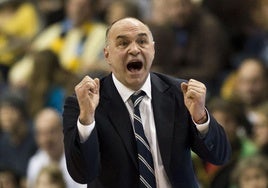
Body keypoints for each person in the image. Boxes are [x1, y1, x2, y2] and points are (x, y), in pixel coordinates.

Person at [62, 17, 231, 187]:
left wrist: (201, 118)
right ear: (107, 54)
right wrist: (87, 119)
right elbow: (82, 174)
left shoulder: (180, 93)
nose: (134, 49)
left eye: (142, 41)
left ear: (153, 49)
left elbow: (220, 156)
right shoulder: (83, 103)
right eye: (123, 43)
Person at [27, 108, 86, 188]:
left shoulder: (79, 161)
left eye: (51, 132)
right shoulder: (35, 163)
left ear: (63, 131)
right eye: (41, 133)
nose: (46, 139)